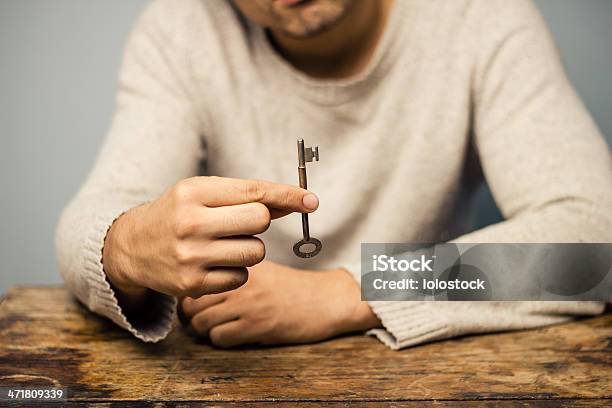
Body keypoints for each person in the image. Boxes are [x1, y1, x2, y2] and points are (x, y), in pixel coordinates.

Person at [56, 0, 612, 349]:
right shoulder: (179, 30)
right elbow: (87, 223)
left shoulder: (483, 19)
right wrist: (129, 245)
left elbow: (595, 242)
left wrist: (350, 293)